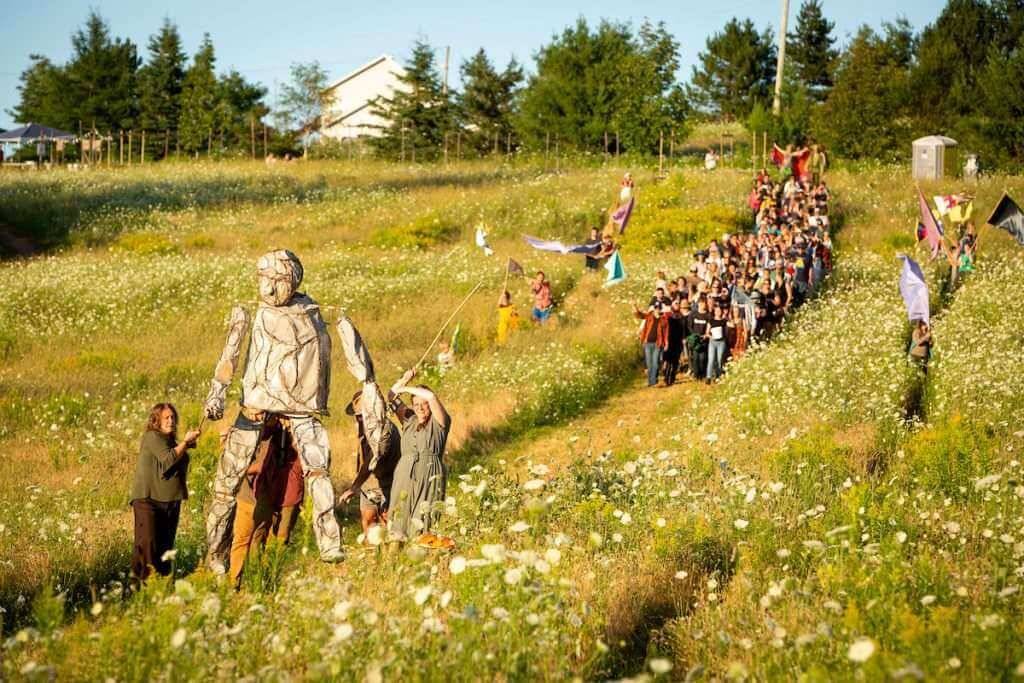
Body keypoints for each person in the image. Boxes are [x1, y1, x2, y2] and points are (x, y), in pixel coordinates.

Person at [229, 416, 304, 589]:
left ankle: (257, 581)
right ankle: (235, 584)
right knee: (243, 539)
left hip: (268, 494)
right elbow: (240, 461)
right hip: (249, 494)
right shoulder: (252, 431)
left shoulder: (281, 433)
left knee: (260, 538)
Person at [129, 403, 200, 582]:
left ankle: (161, 588)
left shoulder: (169, 441)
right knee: (147, 548)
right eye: (166, 417)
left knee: (165, 549)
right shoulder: (152, 437)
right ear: (156, 420)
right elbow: (167, 460)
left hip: (169, 501)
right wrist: (185, 443)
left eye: (173, 417)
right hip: (149, 501)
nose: (171, 420)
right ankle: (139, 590)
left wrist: (185, 446)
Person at [388, 369, 453, 545]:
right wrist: (404, 379)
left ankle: (424, 555)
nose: (420, 407)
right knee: (399, 518)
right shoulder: (409, 421)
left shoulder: (440, 422)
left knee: (422, 520)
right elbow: (391, 396)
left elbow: (431, 396)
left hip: (429, 471)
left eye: (423, 404)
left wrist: (408, 390)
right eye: (416, 404)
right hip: (404, 473)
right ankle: (396, 556)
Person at [339, 390, 402, 538]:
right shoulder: (364, 429)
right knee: (368, 525)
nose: (359, 420)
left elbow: (371, 460)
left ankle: (388, 558)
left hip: (388, 484)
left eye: (363, 415)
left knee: (388, 526)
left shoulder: (385, 431)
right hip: (368, 486)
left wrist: (354, 486)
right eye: (357, 416)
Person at [634, 303, 669, 387]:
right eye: (656, 308)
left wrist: (666, 343)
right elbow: (639, 315)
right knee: (649, 364)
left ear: (661, 309)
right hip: (647, 343)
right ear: (654, 309)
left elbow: (666, 333)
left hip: (658, 343)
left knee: (655, 363)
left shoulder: (664, 319)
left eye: (659, 308)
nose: (657, 310)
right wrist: (635, 307)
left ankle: (654, 381)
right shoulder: (649, 316)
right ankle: (651, 382)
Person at [663, 300, 687, 386]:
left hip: (678, 341)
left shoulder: (682, 317)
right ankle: (666, 377)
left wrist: (684, 339)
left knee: (675, 361)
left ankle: (672, 378)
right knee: (668, 360)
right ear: (672, 306)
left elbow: (684, 329)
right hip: (669, 341)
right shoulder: (668, 317)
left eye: (678, 303)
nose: (677, 305)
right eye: (675, 303)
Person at [706, 305, 728, 382]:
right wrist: (711, 336)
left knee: (719, 359)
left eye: (719, 311)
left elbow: (727, 330)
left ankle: (718, 376)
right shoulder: (711, 321)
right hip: (712, 342)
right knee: (711, 359)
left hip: (721, 342)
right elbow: (707, 333)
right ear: (714, 312)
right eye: (716, 311)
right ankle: (708, 377)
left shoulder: (724, 321)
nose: (718, 312)